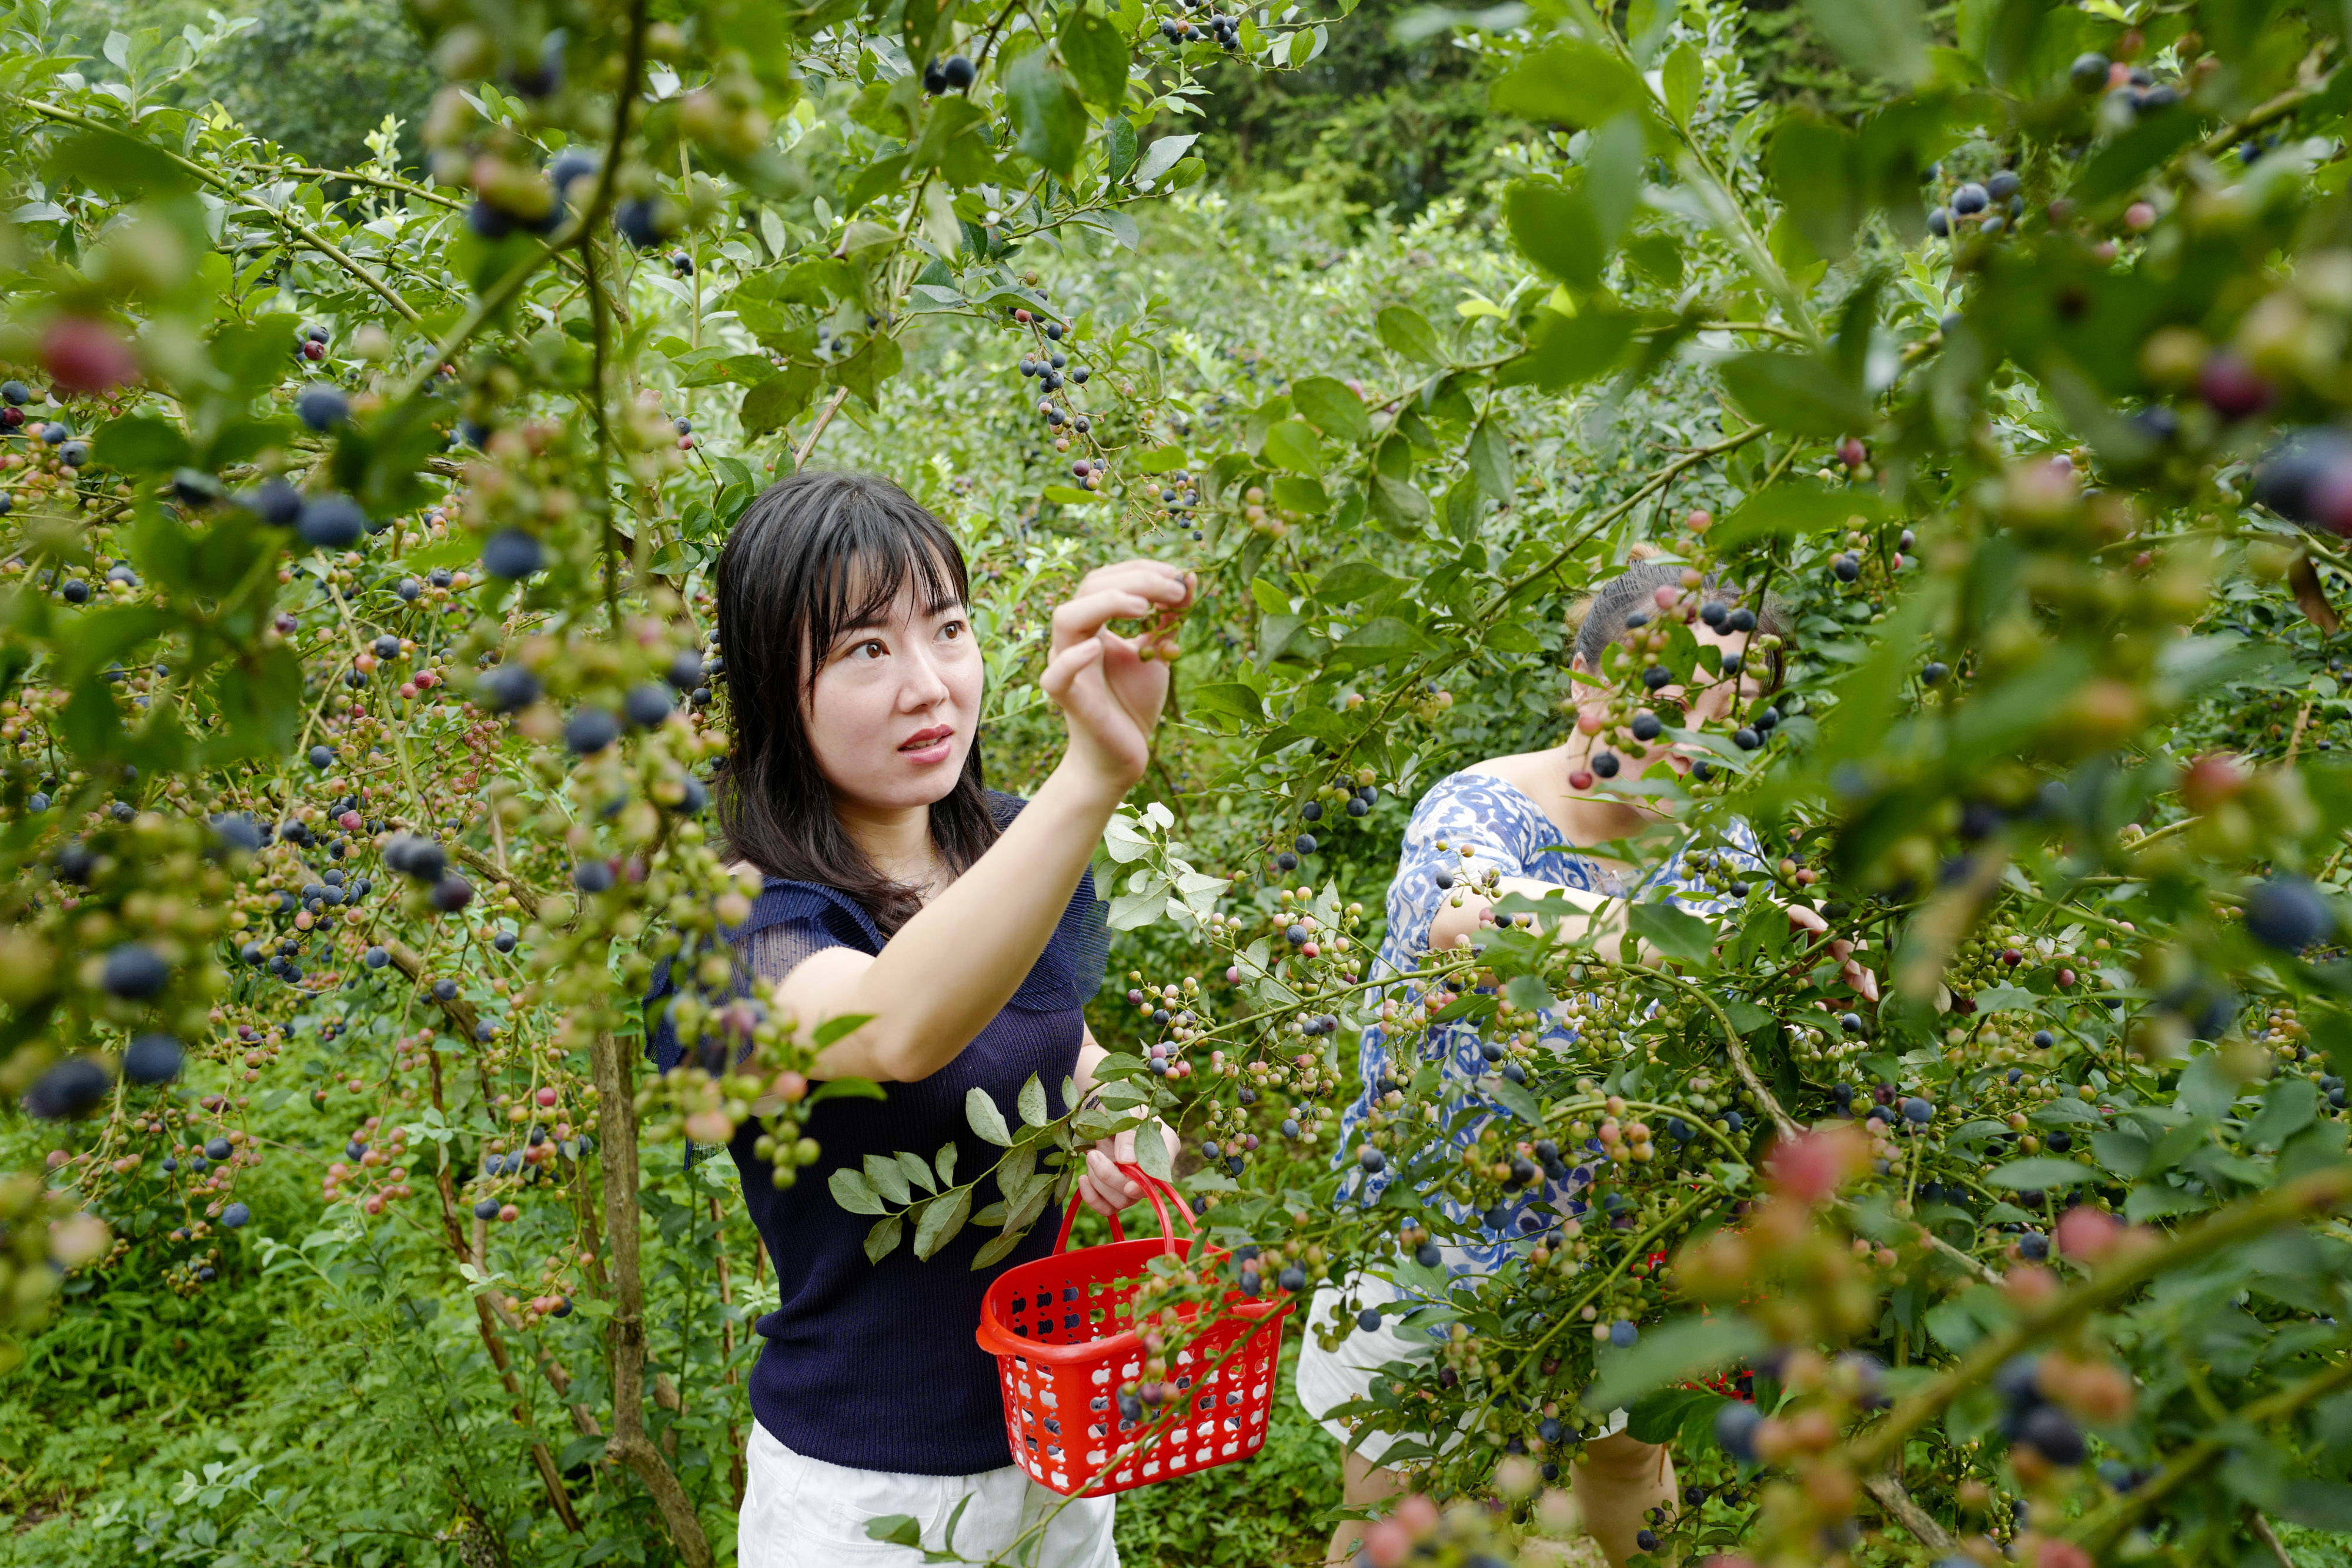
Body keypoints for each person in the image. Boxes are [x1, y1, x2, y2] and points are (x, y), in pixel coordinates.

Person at [643, 472, 1192, 1568]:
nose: (929, 685)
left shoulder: (1008, 843)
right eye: (863, 650)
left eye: (947, 629)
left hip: (1057, 1464)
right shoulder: (736, 924)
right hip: (860, 1508)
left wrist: (1121, 1124)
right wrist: (1096, 778)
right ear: (768, 686)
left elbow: (1061, 1043)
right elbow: (896, 1031)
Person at [1297, 558, 1846, 1568]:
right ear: (1584, 681)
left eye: (1731, 717)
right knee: (1396, 1516)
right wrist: (1706, 940)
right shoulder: (1475, 810)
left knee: (1631, 1467)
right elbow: (1476, 916)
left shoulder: (1721, 847)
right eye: (1670, 702)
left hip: (1616, 1252)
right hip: (1432, 1252)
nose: (1692, 743)